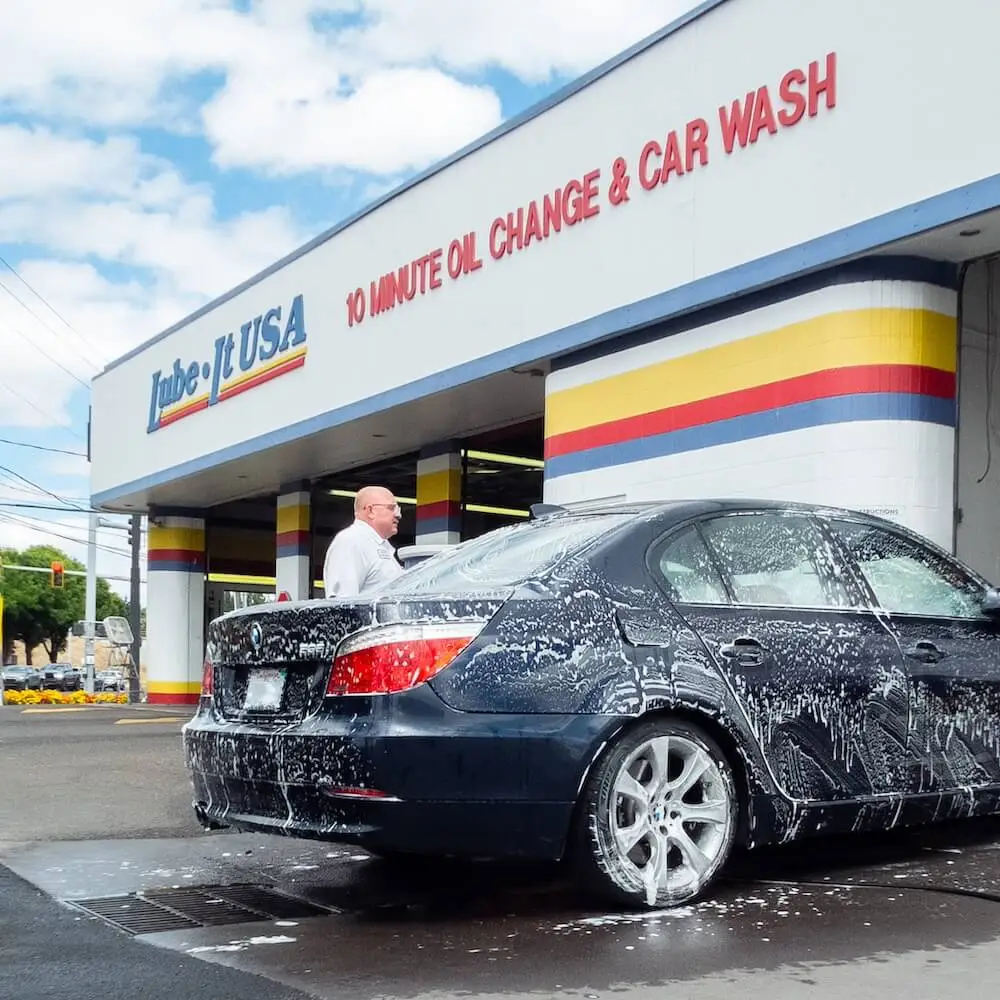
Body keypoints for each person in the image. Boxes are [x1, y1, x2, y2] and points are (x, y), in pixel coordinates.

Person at [322, 485, 404, 598]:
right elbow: (342, 601)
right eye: (391, 508)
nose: (398, 515)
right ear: (370, 511)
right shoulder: (351, 541)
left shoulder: (376, 545)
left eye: (398, 509)